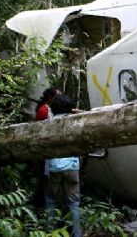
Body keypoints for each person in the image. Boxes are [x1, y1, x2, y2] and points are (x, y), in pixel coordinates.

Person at [45, 94, 82, 237]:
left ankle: (50, 232)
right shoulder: (76, 123)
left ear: (53, 108)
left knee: (51, 201)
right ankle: (76, 234)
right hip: (72, 167)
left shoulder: (48, 125)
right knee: (73, 203)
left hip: (53, 167)